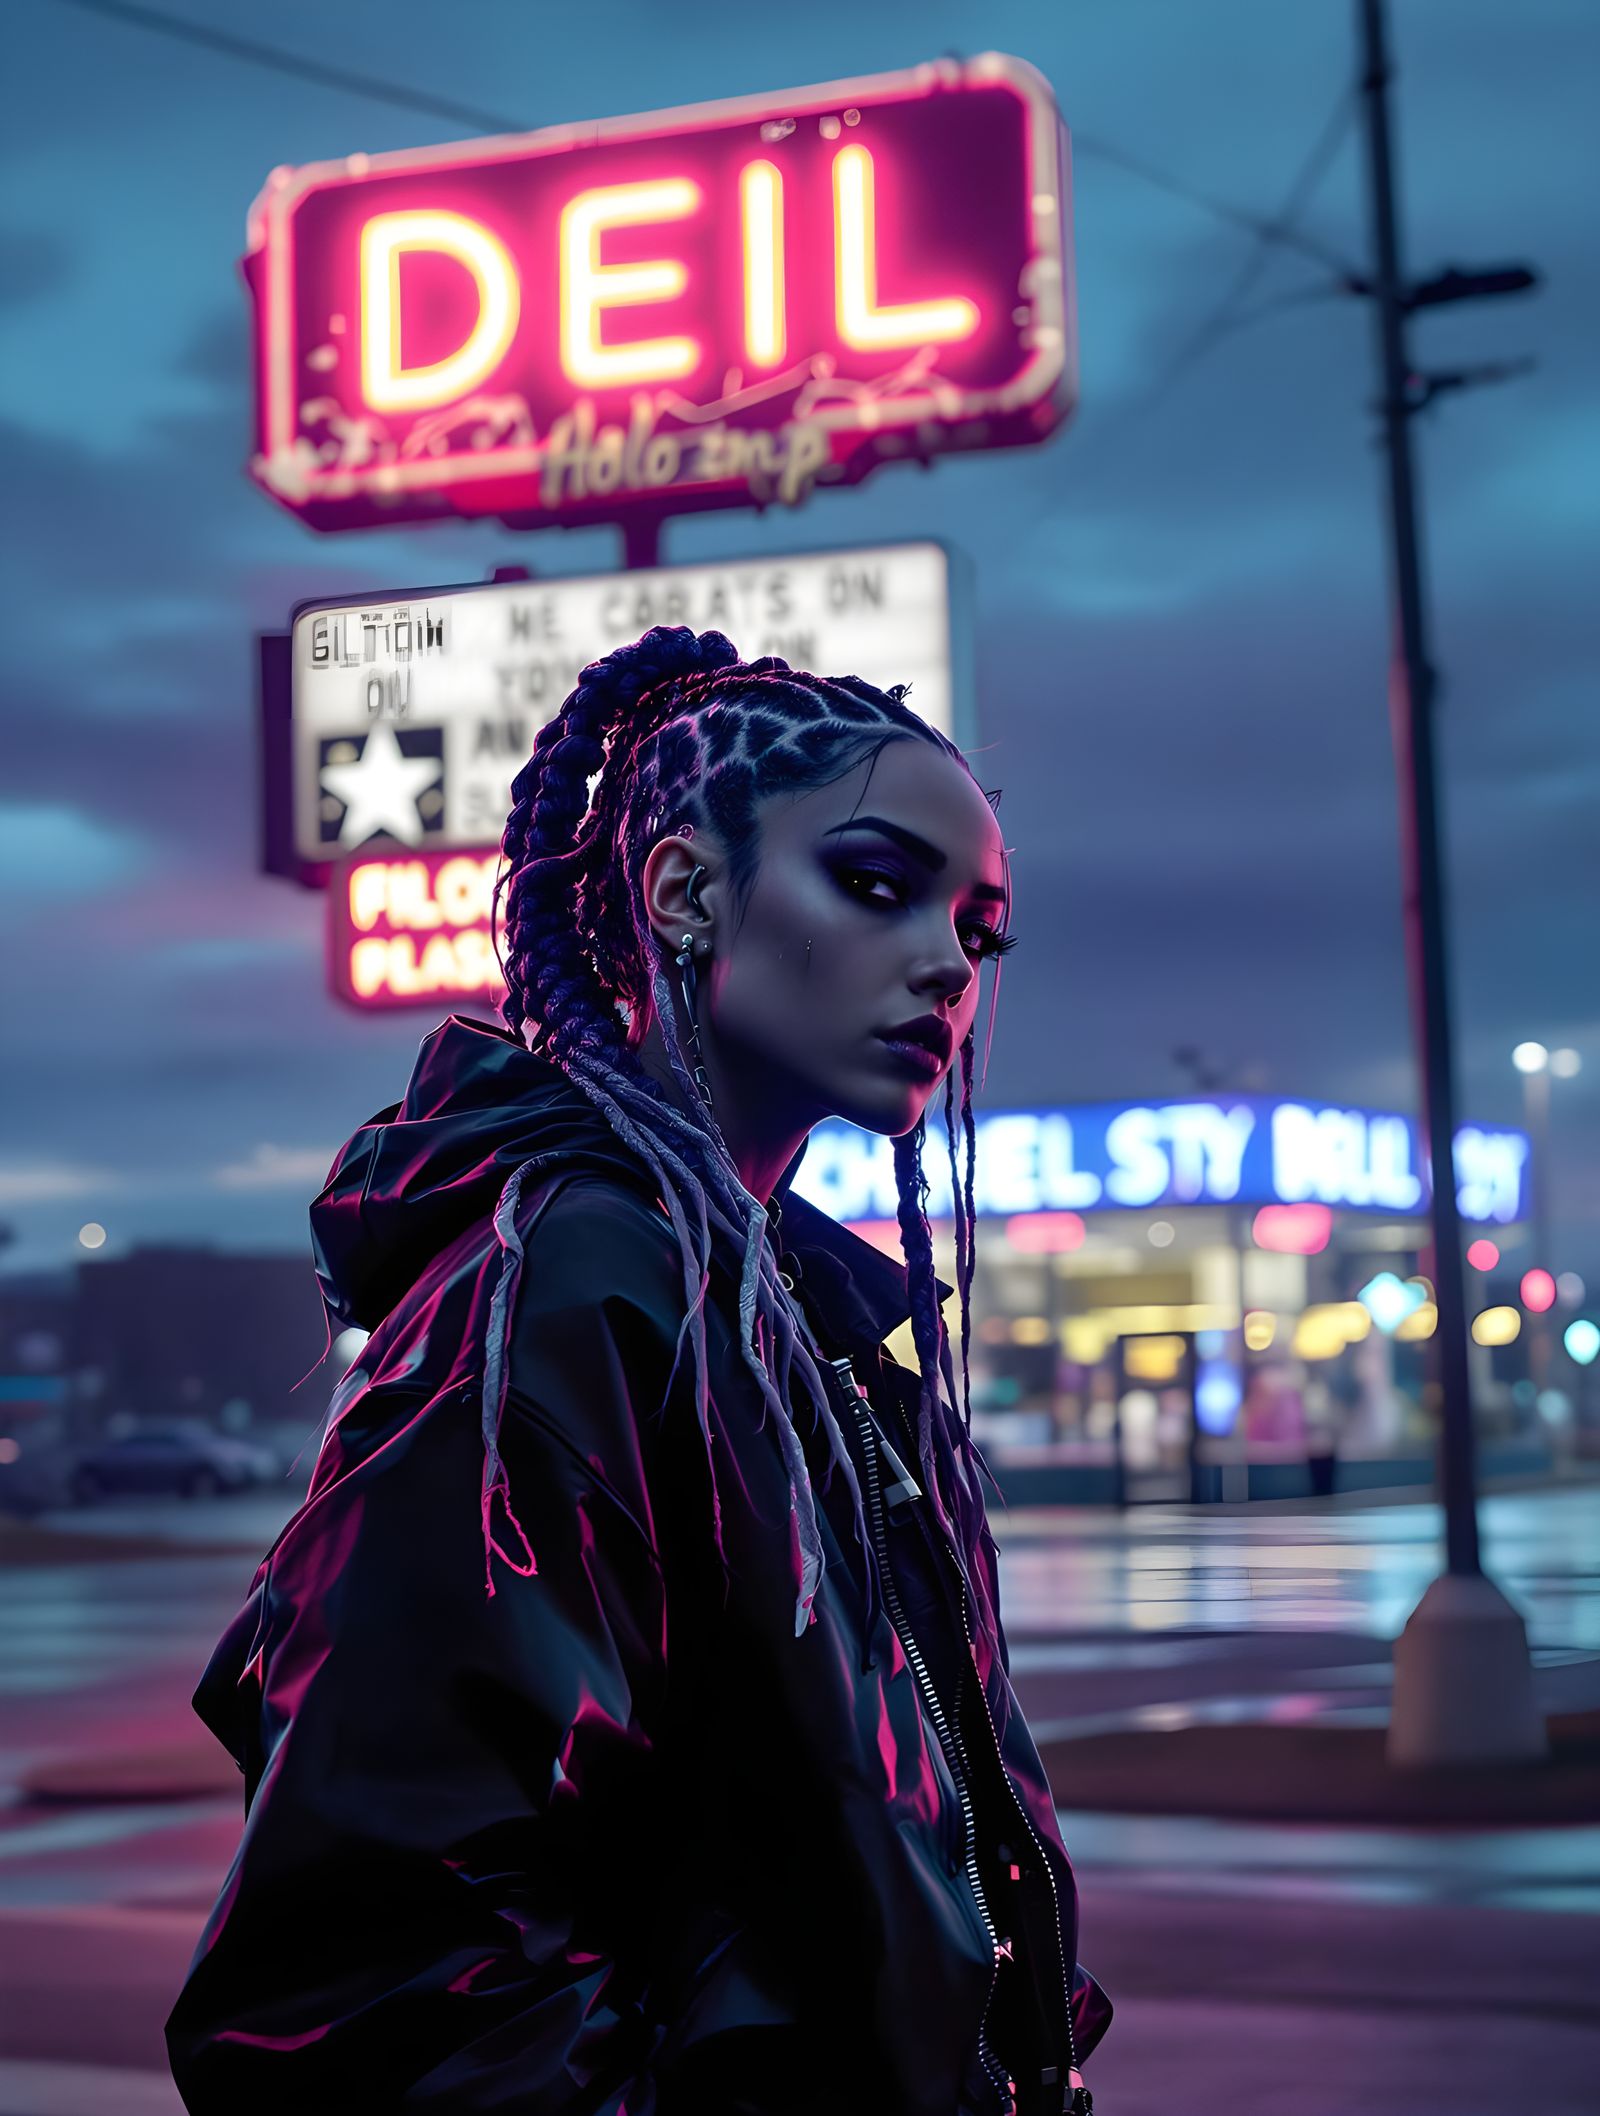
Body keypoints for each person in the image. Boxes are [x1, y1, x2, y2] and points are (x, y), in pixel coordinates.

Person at [165, 628, 1112, 2115]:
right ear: (683, 894)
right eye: (877, 884)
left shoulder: (785, 1310)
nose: (945, 960)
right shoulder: (571, 1288)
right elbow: (386, 1991)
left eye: (977, 930)